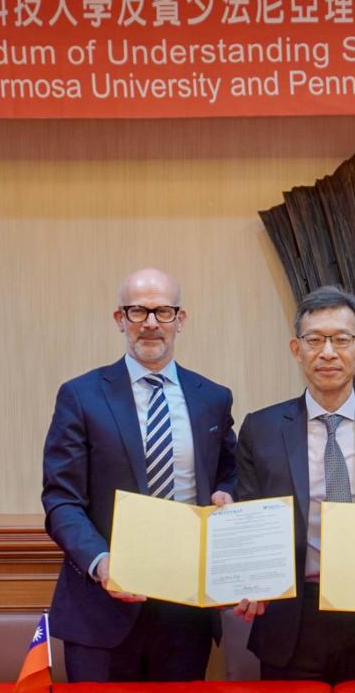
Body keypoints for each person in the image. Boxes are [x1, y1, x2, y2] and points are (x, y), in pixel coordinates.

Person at [42, 267, 237, 682]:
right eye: (138, 311)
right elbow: (61, 500)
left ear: (180, 320)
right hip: (102, 610)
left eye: (163, 311)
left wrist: (227, 495)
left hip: (187, 612)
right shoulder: (81, 396)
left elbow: (231, 474)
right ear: (120, 319)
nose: (150, 323)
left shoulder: (213, 398)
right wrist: (101, 562)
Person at [233, 285, 355, 684]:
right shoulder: (260, 429)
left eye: (341, 340)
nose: (328, 353)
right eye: (315, 340)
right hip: (289, 617)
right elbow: (248, 515)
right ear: (296, 349)